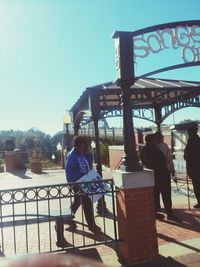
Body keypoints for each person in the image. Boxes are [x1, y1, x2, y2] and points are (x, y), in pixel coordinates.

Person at [65, 136, 101, 233]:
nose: (84, 148)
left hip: (87, 180)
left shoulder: (84, 154)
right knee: (87, 203)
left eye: (85, 146)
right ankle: (91, 225)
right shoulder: (72, 156)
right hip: (78, 183)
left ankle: (66, 218)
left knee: (77, 201)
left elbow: (89, 166)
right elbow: (69, 171)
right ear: (77, 146)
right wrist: (75, 183)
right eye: (82, 146)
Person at [140, 134, 180, 222]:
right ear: (152, 140)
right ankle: (169, 213)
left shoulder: (143, 150)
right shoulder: (157, 149)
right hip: (162, 175)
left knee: (155, 194)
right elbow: (165, 161)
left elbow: (143, 162)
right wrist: (171, 170)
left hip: (151, 176)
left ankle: (155, 211)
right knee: (166, 194)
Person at [184, 123, 200, 208]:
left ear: (191, 133)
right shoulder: (198, 140)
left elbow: (187, 155)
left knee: (197, 186)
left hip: (194, 168)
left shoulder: (191, 142)